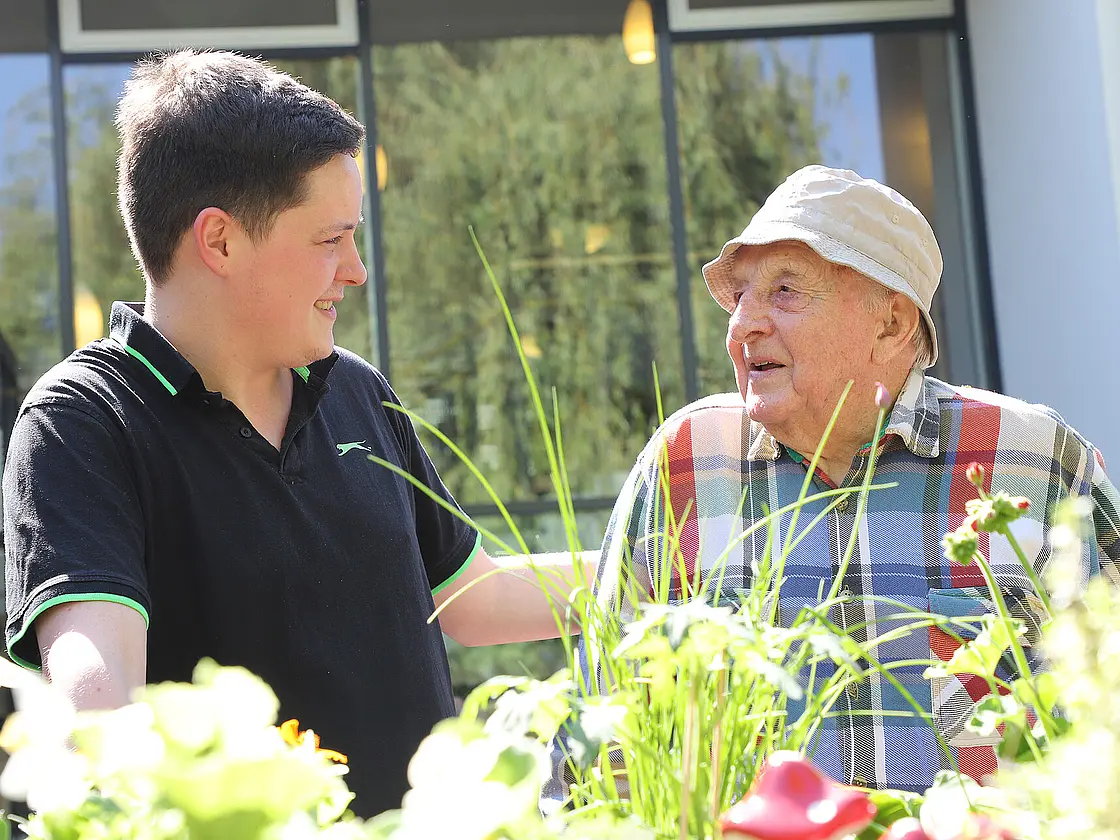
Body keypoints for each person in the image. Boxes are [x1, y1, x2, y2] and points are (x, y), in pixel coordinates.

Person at [2, 51, 589, 818]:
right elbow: (102, 710)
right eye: (329, 240)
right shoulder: (82, 423)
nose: (356, 270)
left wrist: (671, 570)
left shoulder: (359, 391)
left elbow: (475, 597)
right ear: (219, 241)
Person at [576, 165, 1120, 795]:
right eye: (740, 295)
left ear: (891, 324)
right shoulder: (685, 462)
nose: (742, 325)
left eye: (785, 291)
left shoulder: (1035, 459)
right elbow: (602, 738)